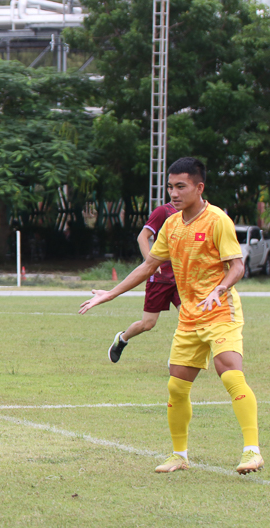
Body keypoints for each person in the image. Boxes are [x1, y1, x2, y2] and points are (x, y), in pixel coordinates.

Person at [80, 157, 261, 475]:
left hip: (220, 312)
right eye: (170, 187)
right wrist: (110, 293)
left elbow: (237, 266)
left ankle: (252, 451)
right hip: (190, 317)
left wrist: (220, 289)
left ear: (198, 187)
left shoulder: (217, 220)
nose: (174, 193)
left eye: (181, 186)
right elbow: (148, 266)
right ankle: (179, 455)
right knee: (177, 387)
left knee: (229, 373)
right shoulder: (173, 225)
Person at [107, 202, 181, 363]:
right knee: (147, 324)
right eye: (171, 187)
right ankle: (122, 338)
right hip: (160, 278)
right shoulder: (163, 212)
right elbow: (142, 237)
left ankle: (178, 358)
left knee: (188, 318)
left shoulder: (193, 213)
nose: (175, 192)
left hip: (181, 278)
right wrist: (150, 262)